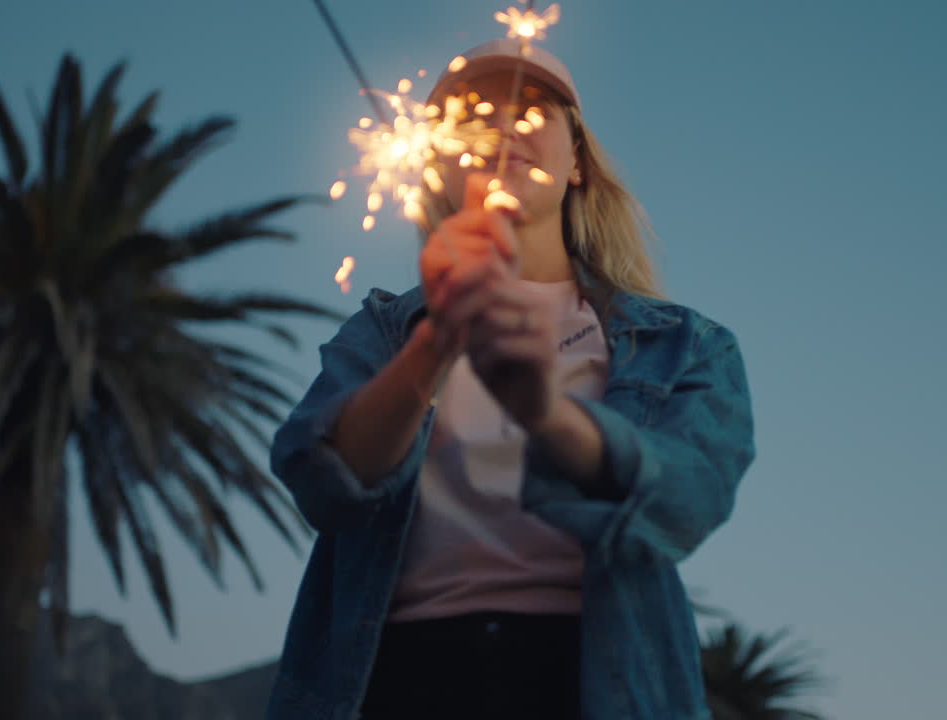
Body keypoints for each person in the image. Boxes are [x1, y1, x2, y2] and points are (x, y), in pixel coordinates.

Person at [265, 39, 756, 720]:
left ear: (577, 162)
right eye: (473, 115)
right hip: (400, 678)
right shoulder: (385, 331)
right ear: (438, 164)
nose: (502, 127)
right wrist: (434, 345)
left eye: (532, 110)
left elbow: (689, 500)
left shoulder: (683, 344)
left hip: (592, 681)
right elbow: (321, 482)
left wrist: (546, 414)